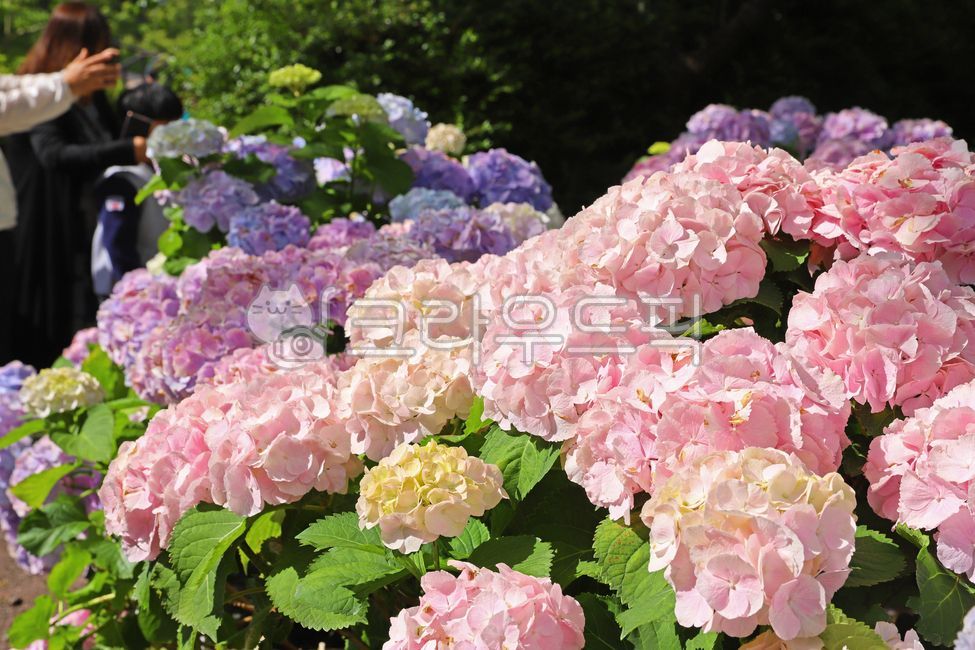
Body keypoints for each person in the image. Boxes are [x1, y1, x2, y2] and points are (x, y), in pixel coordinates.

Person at [2, 2, 148, 367]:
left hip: (87, 225)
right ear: (73, 48)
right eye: (97, 48)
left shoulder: (90, 98)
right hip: (46, 230)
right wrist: (128, 150)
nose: (105, 58)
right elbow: (54, 155)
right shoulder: (41, 98)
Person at [91, 83, 183, 298]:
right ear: (137, 125)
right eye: (165, 127)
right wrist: (137, 294)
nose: (176, 135)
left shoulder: (163, 172)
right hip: (128, 294)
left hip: (160, 288)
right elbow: (117, 246)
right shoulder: (122, 179)